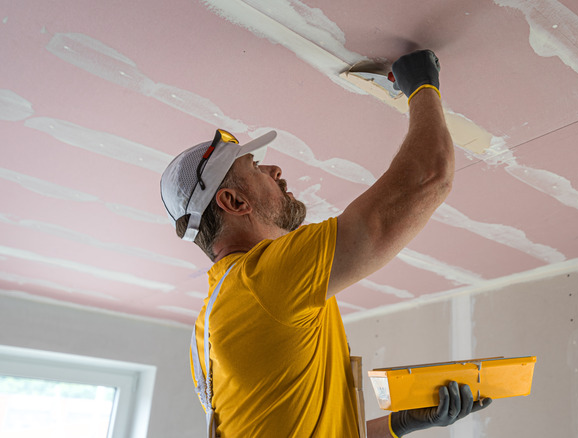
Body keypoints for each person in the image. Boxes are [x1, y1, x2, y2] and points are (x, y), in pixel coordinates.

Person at [160, 50, 491, 437]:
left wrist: (400, 423)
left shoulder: (210, 324)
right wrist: (421, 86)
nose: (274, 169)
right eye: (254, 168)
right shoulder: (262, 282)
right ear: (234, 202)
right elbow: (428, 178)